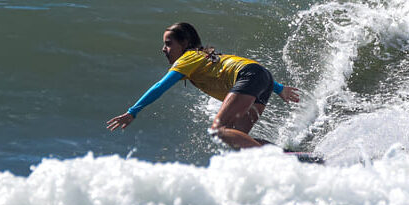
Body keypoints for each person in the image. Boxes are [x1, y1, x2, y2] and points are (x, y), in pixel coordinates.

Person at [106, 22, 300, 149]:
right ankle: (288, 155)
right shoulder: (204, 57)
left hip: (250, 76)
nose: (163, 49)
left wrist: (132, 112)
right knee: (239, 138)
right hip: (261, 78)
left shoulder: (188, 58)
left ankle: (280, 158)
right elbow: (254, 72)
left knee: (218, 130)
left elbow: (160, 86)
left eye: (168, 43)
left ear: (185, 43)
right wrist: (279, 89)